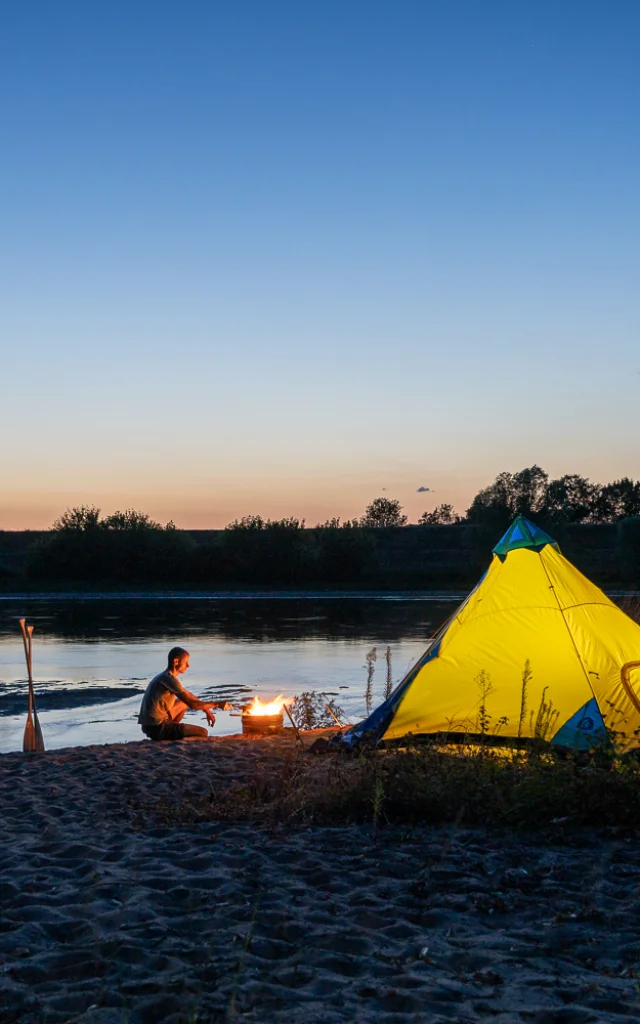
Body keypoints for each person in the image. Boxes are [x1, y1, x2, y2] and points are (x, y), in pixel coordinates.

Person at [138, 646, 231, 741]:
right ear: (176, 661)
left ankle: (174, 729)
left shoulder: (165, 677)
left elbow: (189, 696)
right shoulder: (169, 679)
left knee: (183, 703)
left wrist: (207, 711)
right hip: (157, 727)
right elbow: (193, 704)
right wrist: (218, 704)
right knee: (203, 732)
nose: (188, 666)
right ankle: (174, 736)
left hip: (149, 725)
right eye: (186, 662)